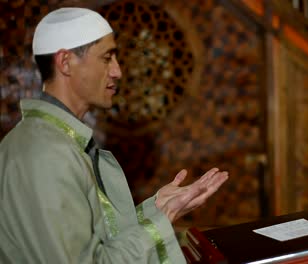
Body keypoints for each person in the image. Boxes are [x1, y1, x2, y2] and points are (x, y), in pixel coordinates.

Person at [0, 7, 228, 263]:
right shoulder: (45, 155)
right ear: (65, 62)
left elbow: (95, 237)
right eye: (107, 58)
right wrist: (159, 224)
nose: (117, 71)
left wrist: (157, 210)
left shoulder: (52, 140)